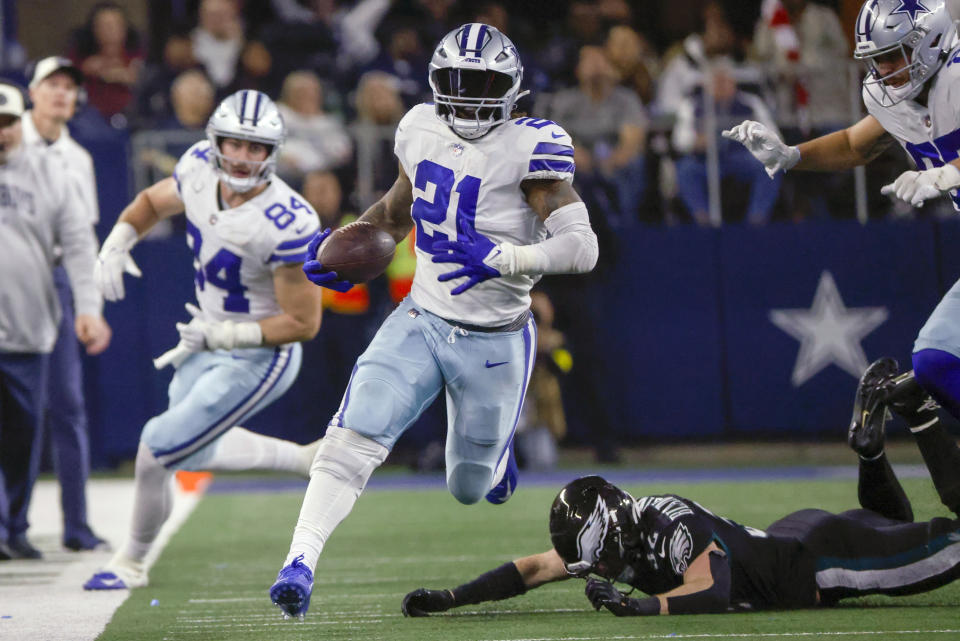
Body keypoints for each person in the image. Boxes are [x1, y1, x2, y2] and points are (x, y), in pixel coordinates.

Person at [268, 23, 599, 619]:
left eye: (483, 84)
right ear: (437, 83)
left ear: (511, 89)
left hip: (496, 339)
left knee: (468, 485)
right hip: (420, 317)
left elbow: (582, 246)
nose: (469, 97)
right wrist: (349, 244)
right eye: (459, 83)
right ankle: (300, 561)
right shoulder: (419, 126)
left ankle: (496, 459)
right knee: (353, 434)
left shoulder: (531, 146)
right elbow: (397, 212)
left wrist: (507, 257)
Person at [400, 368, 960, 616]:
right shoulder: (616, 526)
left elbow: (711, 590)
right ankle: (869, 448)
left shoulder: (671, 525)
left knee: (944, 545)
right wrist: (453, 599)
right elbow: (529, 570)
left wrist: (640, 606)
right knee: (890, 522)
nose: (593, 569)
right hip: (795, 535)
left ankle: (921, 417)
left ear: (615, 526)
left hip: (816, 561)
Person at [82, 89, 324, 590]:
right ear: (213, 141)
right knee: (183, 447)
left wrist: (225, 335)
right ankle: (301, 458)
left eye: (255, 147)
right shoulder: (196, 167)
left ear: (273, 153)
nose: (240, 156)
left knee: (157, 447)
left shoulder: (287, 220)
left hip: (260, 355)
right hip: (207, 337)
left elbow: (303, 323)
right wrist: (119, 240)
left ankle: (131, 562)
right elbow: (151, 201)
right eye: (233, 143)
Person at [724, 0, 960, 459]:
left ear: (928, 42)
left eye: (893, 56)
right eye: (878, 59)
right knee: (935, 362)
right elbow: (857, 143)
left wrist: (950, 172)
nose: (885, 70)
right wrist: (792, 156)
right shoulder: (895, 96)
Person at [0, 81, 109, 560]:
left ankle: (15, 524)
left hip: (29, 325)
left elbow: (80, 246)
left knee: (23, 434)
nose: (0, 133)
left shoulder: (52, 172)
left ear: (18, 122)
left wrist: (88, 309)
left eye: (6, 123)